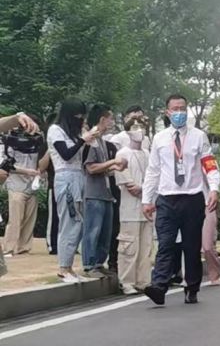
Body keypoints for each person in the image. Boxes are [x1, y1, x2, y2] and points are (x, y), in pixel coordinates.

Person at [142, 94, 220, 305]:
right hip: (167, 199)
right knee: (166, 244)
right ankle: (159, 286)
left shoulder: (199, 136)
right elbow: (153, 170)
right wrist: (147, 199)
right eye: (175, 109)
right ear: (167, 112)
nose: (179, 113)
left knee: (191, 246)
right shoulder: (159, 138)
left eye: (182, 108)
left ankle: (192, 287)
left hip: (192, 198)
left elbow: (209, 164)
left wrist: (213, 189)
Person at [47, 99, 95, 283]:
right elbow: (66, 155)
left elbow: (81, 156)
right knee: (69, 221)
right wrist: (83, 140)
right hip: (65, 177)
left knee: (79, 224)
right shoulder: (55, 130)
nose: (80, 118)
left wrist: (87, 140)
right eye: (78, 115)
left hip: (78, 175)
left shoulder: (74, 133)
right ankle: (63, 267)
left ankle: (69, 267)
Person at [82, 105, 126, 277]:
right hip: (94, 193)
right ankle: (89, 264)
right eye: (110, 118)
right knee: (93, 230)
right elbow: (91, 168)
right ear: (102, 119)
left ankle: (99, 263)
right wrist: (112, 162)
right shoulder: (91, 140)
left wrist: (114, 167)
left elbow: (102, 168)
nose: (112, 122)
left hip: (106, 192)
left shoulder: (102, 141)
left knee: (105, 232)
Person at [115, 119, 153, 295]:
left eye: (142, 127)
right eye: (135, 127)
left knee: (146, 247)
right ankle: (127, 281)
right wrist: (142, 189)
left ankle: (143, 280)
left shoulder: (148, 154)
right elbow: (129, 185)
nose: (139, 130)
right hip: (129, 209)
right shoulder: (122, 153)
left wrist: (146, 190)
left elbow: (155, 177)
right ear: (128, 131)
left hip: (148, 208)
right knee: (129, 246)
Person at [1, 125, 49, 255]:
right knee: (15, 219)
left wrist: (39, 174)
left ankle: (24, 248)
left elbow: (40, 164)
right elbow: (6, 166)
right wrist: (27, 171)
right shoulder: (9, 143)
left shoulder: (37, 143)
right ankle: (9, 248)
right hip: (16, 185)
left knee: (29, 219)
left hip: (31, 186)